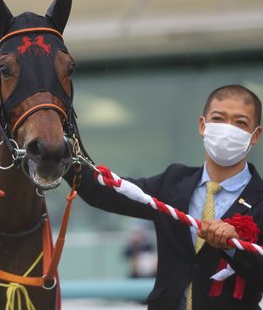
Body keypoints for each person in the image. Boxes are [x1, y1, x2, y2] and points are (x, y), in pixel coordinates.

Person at [71, 84, 263, 309]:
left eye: (240, 123)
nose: (227, 129)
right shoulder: (173, 182)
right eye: (218, 118)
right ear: (203, 125)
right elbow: (102, 192)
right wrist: (61, 146)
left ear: (255, 135)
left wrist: (233, 247)